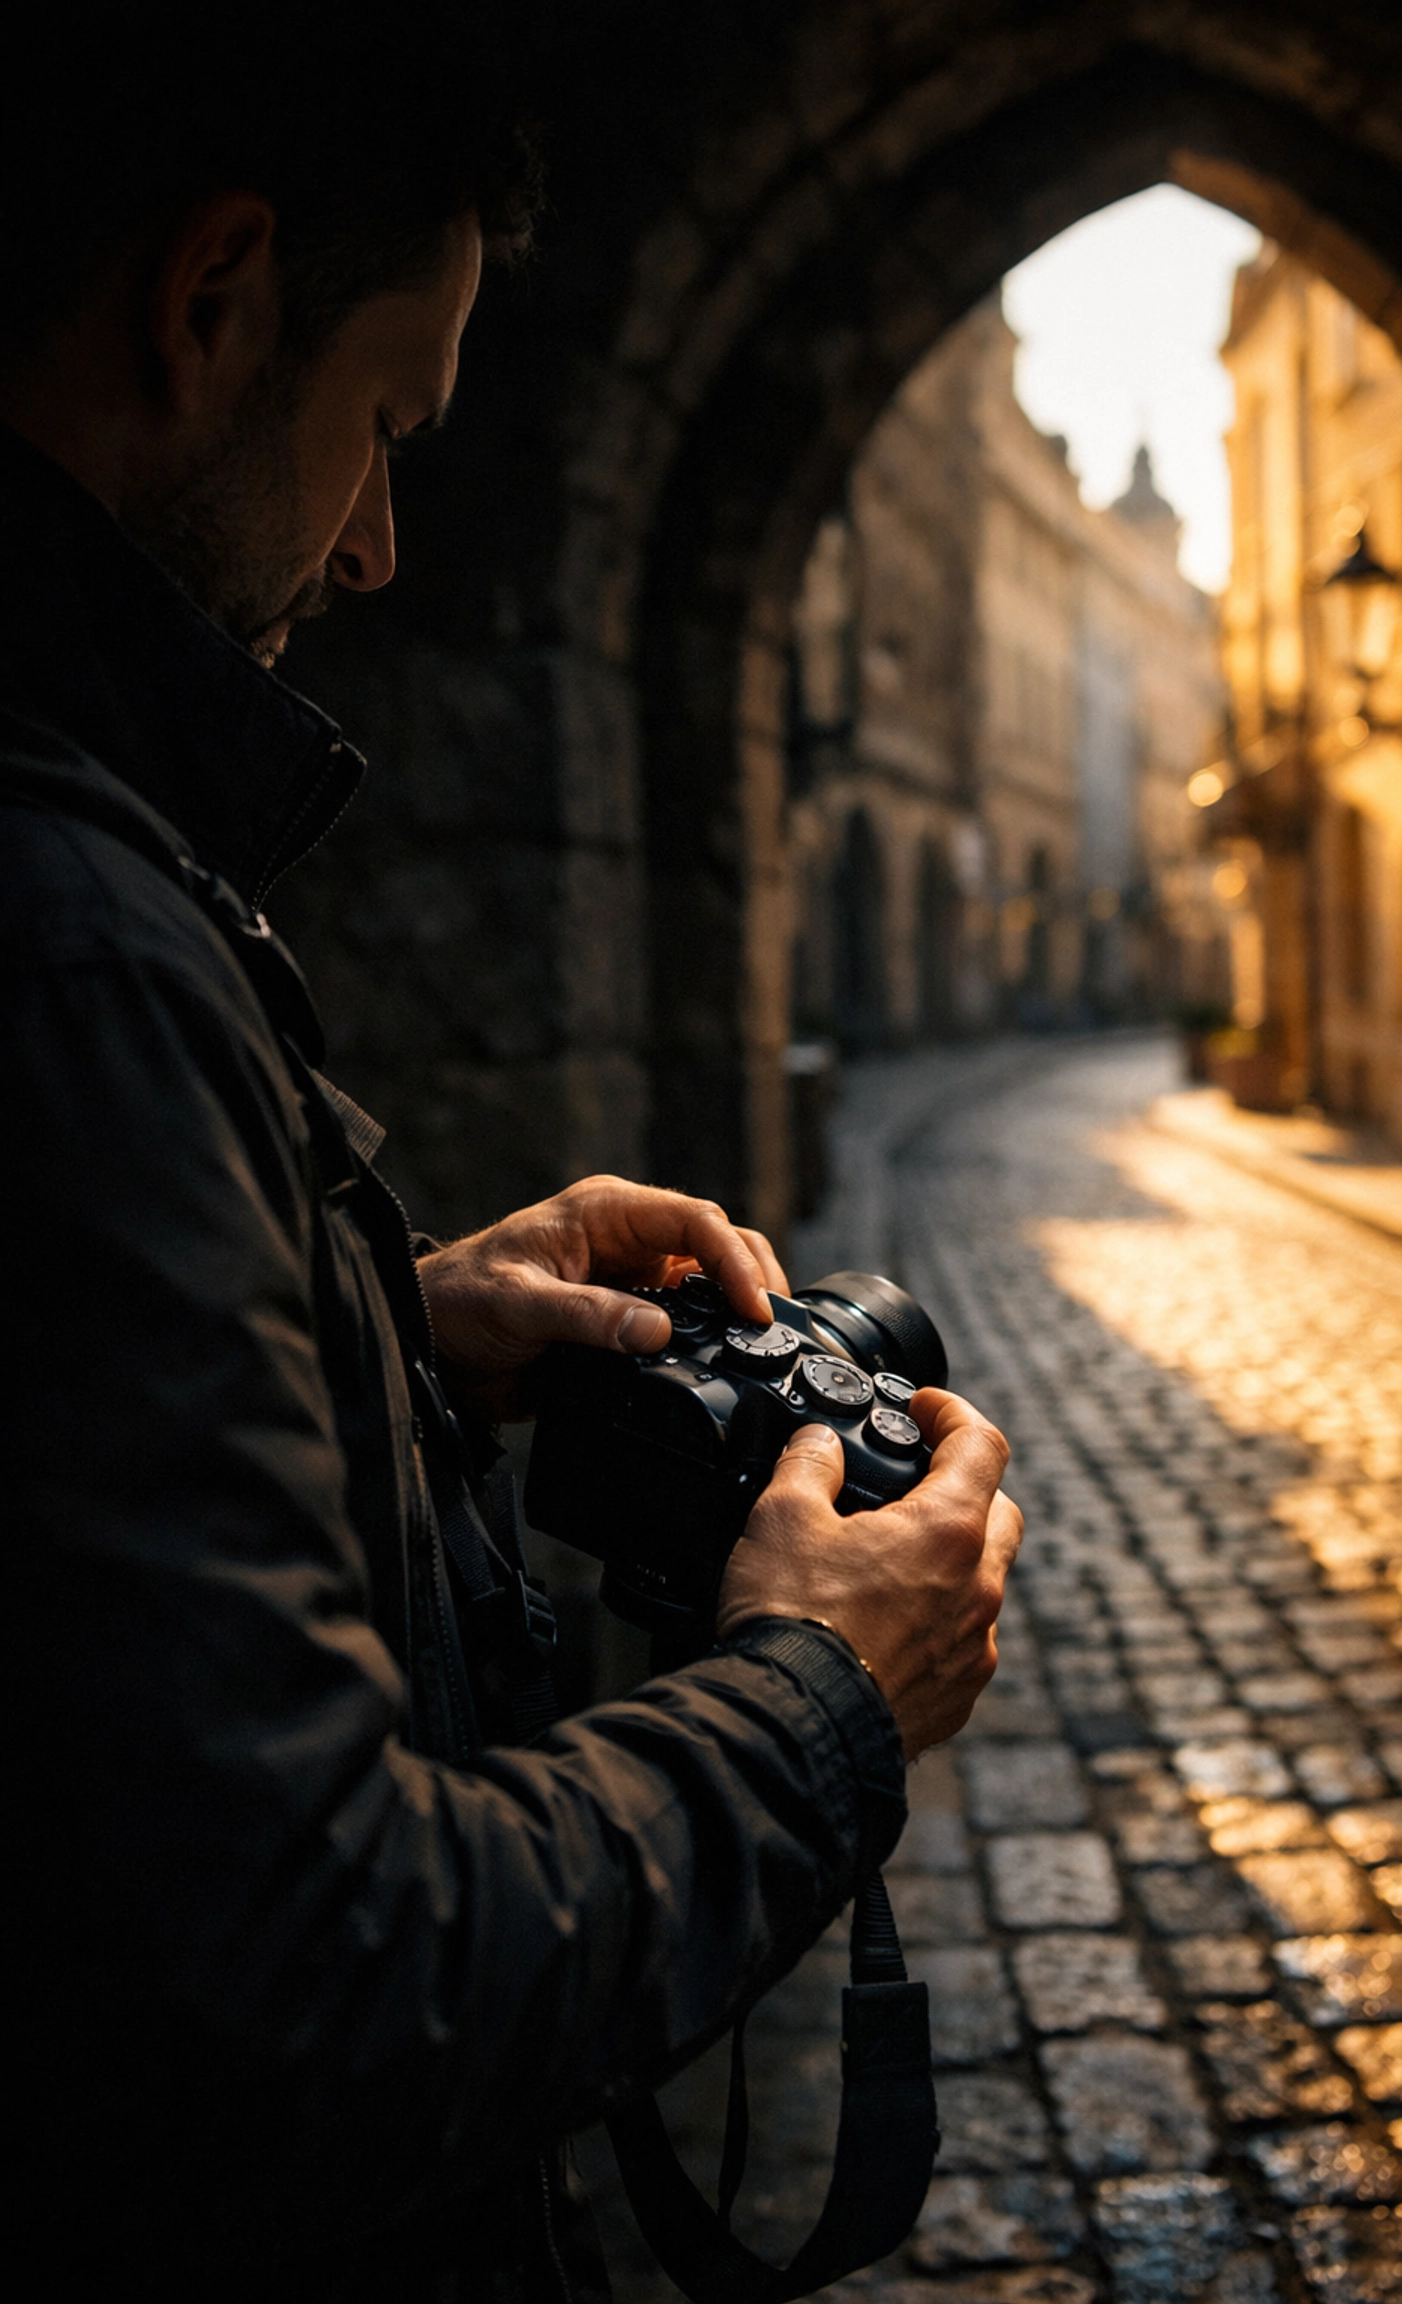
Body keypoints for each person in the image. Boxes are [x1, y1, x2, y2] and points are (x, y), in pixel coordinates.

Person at [2, 10, 1021, 2299]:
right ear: (213, 296)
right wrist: (817, 1706)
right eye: (385, 424)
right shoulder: (76, 937)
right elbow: (311, 1989)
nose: (375, 544)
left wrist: (372, 1331)